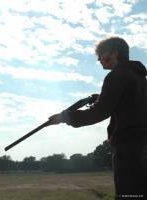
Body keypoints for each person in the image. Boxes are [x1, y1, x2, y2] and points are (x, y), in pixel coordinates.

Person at [49, 37, 147, 199]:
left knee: (128, 195)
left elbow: (98, 113)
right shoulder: (139, 77)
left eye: (101, 55)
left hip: (128, 148)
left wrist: (65, 117)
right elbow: (126, 102)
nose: (99, 59)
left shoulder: (116, 75)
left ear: (114, 53)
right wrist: (100, 97)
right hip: (142, 146)